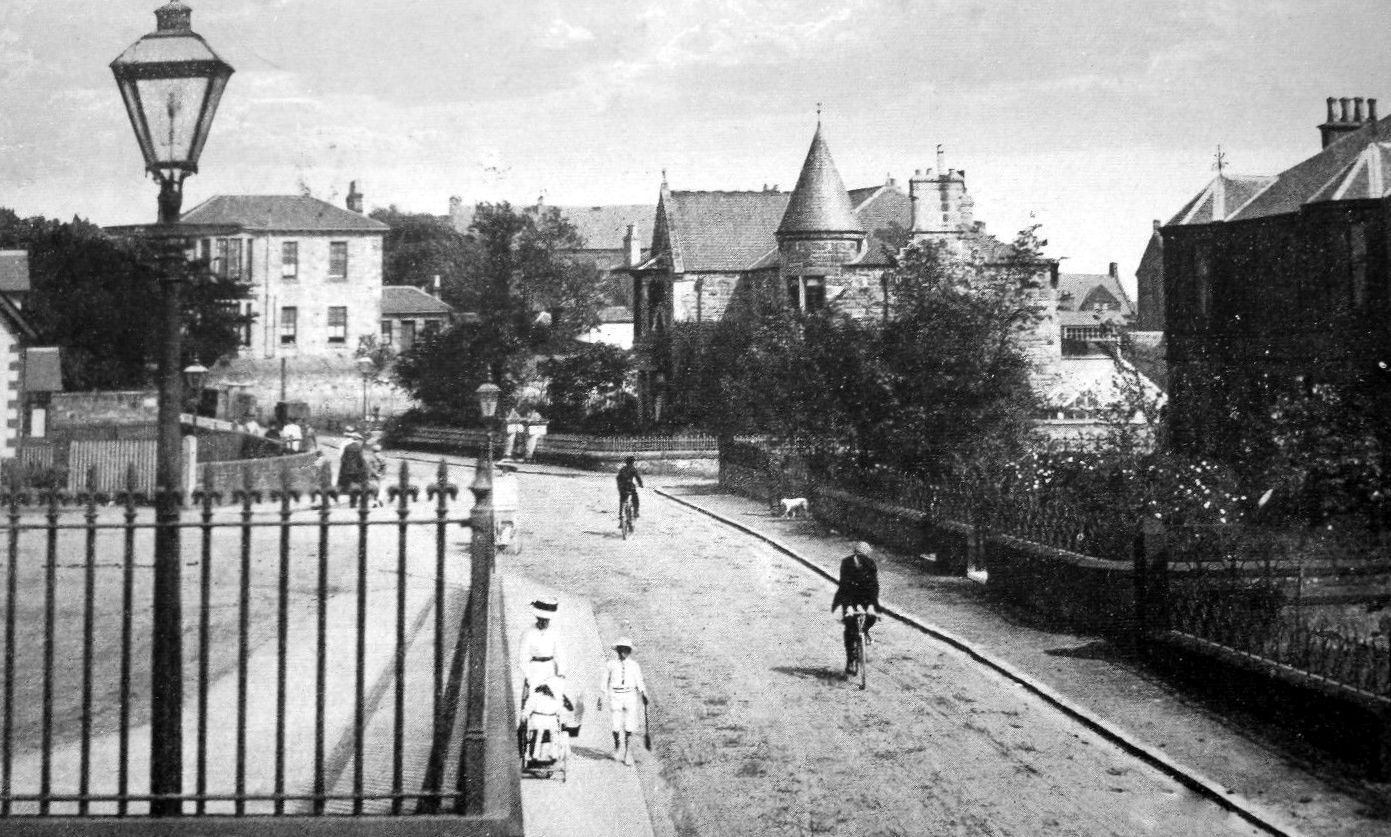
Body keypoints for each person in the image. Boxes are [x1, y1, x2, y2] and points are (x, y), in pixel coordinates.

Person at [831, 541, 880, 677]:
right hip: (850, 597)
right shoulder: (846, 563)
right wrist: (849, 607)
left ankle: (864, 630)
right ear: (855, 553)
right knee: (849, 626)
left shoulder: (871, 564)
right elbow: (844, 586)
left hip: (865, 598)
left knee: (872, 616)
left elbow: (874, 585)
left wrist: (871, 605)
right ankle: (851, 660)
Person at [597, 636, 647, 766]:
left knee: (629, 725)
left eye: (627, 650)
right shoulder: (611, 664)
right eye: (622, 649)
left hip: (630, 696)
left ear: (629, 651)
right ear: (618, 650)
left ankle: (628, 752)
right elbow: (604, 682)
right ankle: (618, 747)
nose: (624, 652)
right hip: (615, 696)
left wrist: (643, 693)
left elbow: (639, 681)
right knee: (615, 725)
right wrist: (601, 697)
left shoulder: (634, 665)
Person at [517, 597, 564, 700]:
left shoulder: (554, 632)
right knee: (533, 698)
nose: (544, 623)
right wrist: (528, 676)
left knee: (552, 699)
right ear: (537, 618)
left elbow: (560, 654)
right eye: (541, 620)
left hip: (550, 670)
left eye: (546, 620)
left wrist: (561, 673)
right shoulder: (528, 633)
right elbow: (522, 658)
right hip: (535, 670)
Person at [337, 428, 368, 496]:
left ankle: (345, 490)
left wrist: (344, 464)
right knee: (358, 476)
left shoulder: (347, 446)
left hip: (346, 467)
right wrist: (362, 465)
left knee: (345, 478)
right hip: (355, 468)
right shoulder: (358, 447)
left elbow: (343, 458)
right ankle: (355, 490)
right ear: (357, 439)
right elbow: (360, 458)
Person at [616, 456, 644, 520]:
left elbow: (618, 478)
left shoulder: (622, 469)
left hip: (623, 486)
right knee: (636, 499)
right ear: (632, 462)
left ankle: (620, 514)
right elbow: (638, 478)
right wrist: (640, 484)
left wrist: (619, 486)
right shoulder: (633, 469)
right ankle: (635, 512)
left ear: (626, 462)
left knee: (622, 500)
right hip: (630, 486)